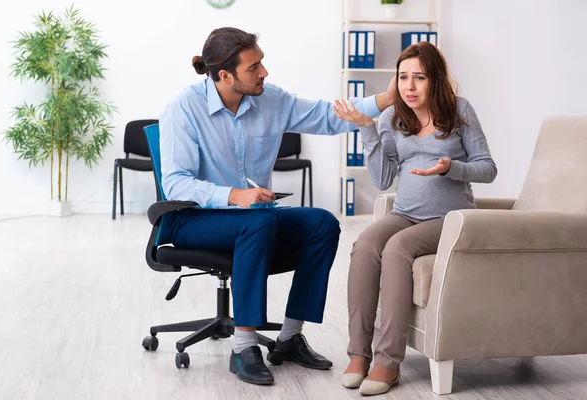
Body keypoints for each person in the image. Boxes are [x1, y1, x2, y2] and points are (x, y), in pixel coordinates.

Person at [159, 27, 396, 386]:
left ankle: (288, 337)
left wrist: (388, 97)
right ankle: (243, 346)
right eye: (254, 67)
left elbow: (329, 115)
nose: (264, 73)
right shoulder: (184, 108)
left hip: (253, 219)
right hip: (193, 218)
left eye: (262, 63)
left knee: (322, 223)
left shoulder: (271, 100)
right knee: (260, 224)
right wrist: (235, 195)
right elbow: (175, 182)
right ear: (225, 75)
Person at [332, 41, 497, 396]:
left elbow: (488, 169)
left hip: (451, 217)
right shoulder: (393, 118)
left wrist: (451, 168)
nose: (408, 86)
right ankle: (358, 354)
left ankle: (387, 363)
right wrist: (367, 128)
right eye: (403, 77)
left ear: (434, 80)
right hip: (406, 213)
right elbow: (382, 179)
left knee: (397, 249)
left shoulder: (460, 111)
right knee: (365, 245)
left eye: (418, 78)